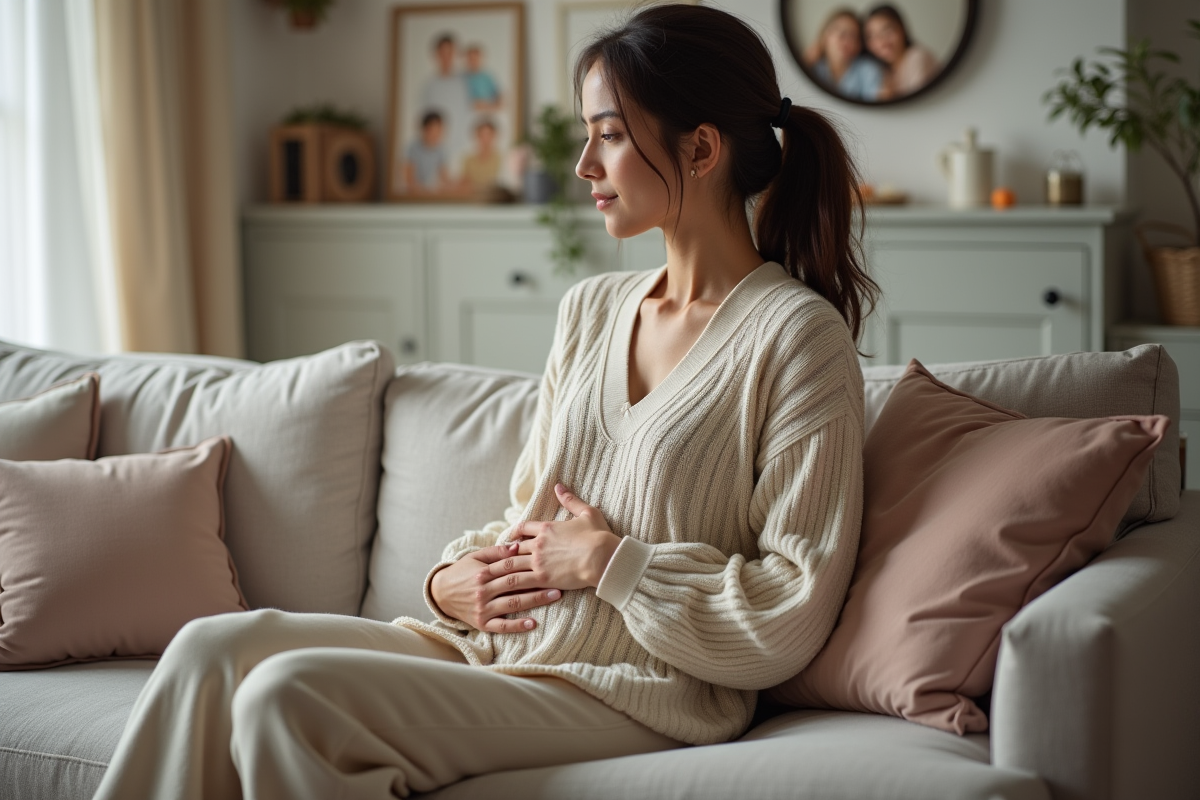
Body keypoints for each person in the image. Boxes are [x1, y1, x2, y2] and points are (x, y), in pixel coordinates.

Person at [91, 5, 877, 798]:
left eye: (608, 134)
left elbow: (793, 607)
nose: (583, 165)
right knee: (211, 649)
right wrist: (448, 582)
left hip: (637, 685)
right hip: (501, 647)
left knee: (286, 697)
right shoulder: (593, 308)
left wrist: (613, 564)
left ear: (701, 147)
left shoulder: (798, 339)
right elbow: (530, 513)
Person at [420, 33, 472, 175]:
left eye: (450, 52)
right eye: (442, 52)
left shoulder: (465, 83)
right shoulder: (429, 86)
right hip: (436, 152)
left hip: (463, 147)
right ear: (436, 55)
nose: (446, 57)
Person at [806, 8, 884, 101]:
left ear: (859, 45)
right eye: (837, 29)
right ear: (825, 36)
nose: (841, 36)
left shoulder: (869, 70)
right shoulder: (814, 66)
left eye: (852, 34)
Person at [864, 4, 939, 99]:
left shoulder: (918, 57)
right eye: (872, 36)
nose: (881, 42)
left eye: (887, 31)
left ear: (902, 29)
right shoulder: (882, 70)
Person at [404, 111, 450, 194]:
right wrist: (422, 190)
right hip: (412, 194)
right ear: (426, 129)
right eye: (437, 129)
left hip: (426, 192)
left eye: (441, 129)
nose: (440, 133)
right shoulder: (413, 148)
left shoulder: (440, 150)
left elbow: (445, 177)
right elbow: (409, 180)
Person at [460, 118, 502, 192]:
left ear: (494, 136)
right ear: (476, 136)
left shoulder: (500, 159)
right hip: (473, 199)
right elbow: (464, 184)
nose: (485, 139)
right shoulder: (468, 160)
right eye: (481, 135)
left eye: (488, 134)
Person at [464, 43, 502, 112]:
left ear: (480, 59)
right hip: (467, 113)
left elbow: (499, 97)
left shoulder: (487, 78)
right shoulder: (462, 78)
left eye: (475, 58)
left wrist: (488, 106)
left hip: (485, 113)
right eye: (470, 58)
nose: (473, 61)